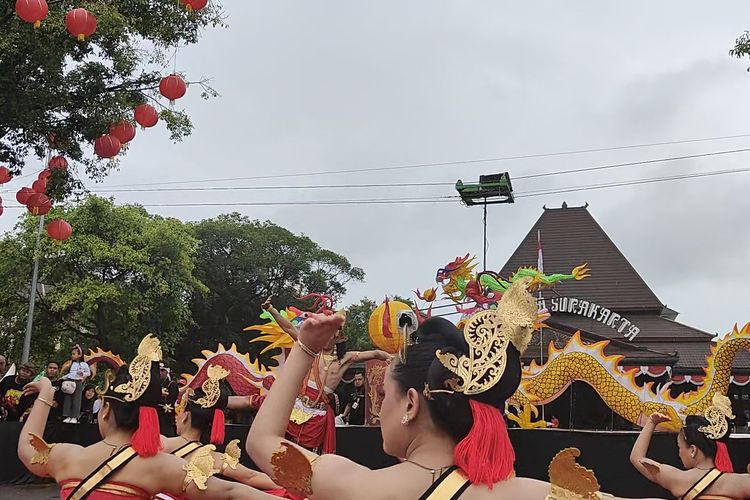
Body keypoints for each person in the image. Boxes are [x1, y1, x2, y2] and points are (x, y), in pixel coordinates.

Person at [246, 279, 561, 499]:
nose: (380, 408)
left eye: (383, 395)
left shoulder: (359, 489)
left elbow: (262, 441)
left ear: (411, 404)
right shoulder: (532, 493)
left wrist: (305, 347)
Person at [17, 334, 276, 499]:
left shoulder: (67, 457)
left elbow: (28, 449)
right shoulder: (160, 464)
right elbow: (233, 490)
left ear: (105, 410)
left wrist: (47, 392)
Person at [229, 297, 390, 453]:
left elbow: (375, 353)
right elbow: (290, 328)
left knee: (308, 455)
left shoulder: (346, 358)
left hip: (317, 415)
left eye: (330, 332)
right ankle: (214, 401)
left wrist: (390, 357)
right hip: (296, 403)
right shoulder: (312, 350)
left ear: (337, 336)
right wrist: (271, 310)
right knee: (254, 401)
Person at [160, 364, 282, 497]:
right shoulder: (216, 459)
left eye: (179, 412)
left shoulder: (163, 444)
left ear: (186, 416)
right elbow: (251, 476)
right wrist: (298, 487)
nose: (176, 417)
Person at [630, 395, 750, 499]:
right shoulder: (740, 482)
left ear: (693, 450)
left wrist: (651, 422)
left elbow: (637, 458)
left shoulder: (678, 479)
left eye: (679, 448)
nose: (679, 453)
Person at [61, 344, 91, 423]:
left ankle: (74, 416)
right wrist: (64, 377)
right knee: (68, 398)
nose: (72, 355)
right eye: (72, 354)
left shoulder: (84, 364)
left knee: (76, 399)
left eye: (74, 354)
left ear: (80, 355)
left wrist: (82, 374)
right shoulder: (72, 364)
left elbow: (88, 373)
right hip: (70, 381)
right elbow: (71, 373)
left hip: (78, 382)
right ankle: (67, 415)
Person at [158, 362, 179, 435]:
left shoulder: (172, 384)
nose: (160, 372)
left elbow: (171, 401)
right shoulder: (156, 384)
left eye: (162, 370)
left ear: (167, 371)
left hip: (166, 417)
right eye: (158, 370)